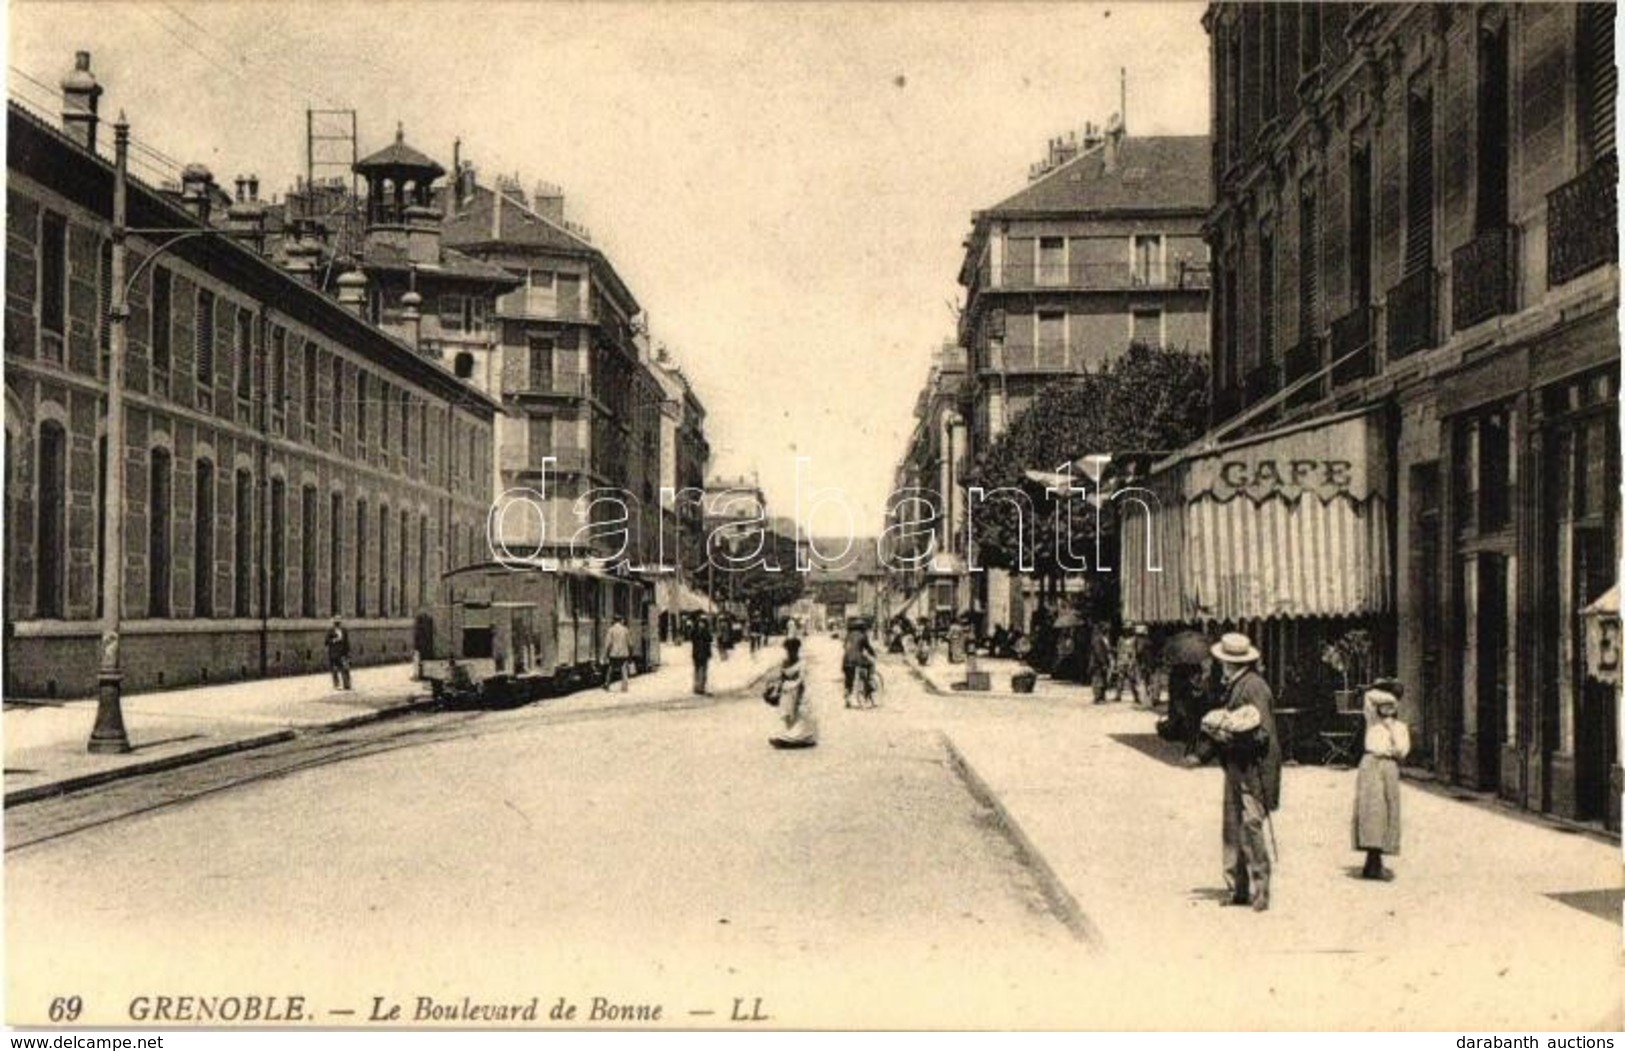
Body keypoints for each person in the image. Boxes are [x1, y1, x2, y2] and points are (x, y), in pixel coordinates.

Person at [1187, 631, 1281, 911]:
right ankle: (1238, 889)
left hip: (1255, 768)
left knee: (1250, 824)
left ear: (1231, 664)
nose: (1221, 667)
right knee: (1232, 826)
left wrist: (1230, 731)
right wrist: (1201, 754)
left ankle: (1261, 888)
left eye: (1223, 662)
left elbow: (1262, 734)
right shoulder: (1232, 686)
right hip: (1236, 766)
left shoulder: (1254, 688)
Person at [1353, 679, 1410, 880]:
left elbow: (1402, 751)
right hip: (1370, 762)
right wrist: (1390, 697)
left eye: (1391, 706)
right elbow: (1369, 696)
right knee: (1370, 811)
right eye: (1383, 705)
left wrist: (1391, 727)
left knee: (1387, 812)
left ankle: (1377, 861)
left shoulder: (1401, 727)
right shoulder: (1371, 720)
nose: (1387, 708)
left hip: (1389, 766)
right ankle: (1371, 861)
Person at [768, 637, 817, 749]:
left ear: (797, 650)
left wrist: (793, 687)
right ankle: (789, 735)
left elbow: (801, 679)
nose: (790, 652)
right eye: (788, 650)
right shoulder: (784, 662)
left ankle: (796, 737)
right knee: (786, 714)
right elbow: (781, 677)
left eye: (792, 650)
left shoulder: (802, 662)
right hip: (787, 691)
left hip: (797, 691)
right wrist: (777, 690)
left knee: (799, 713)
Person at [842, 622, 877, 707]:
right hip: (857, 659)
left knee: (848, 679)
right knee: (871, 664)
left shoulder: (848, 636)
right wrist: (874, 654)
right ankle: (869, 682)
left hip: (846, 660)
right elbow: (868, 647)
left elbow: (844, 647)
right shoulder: (863, 635)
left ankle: (847, 696)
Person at [603, 615, 632, 692]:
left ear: (614, 621)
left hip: (613, 653)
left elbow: (608, 643)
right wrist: (630, 653)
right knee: (624, 670)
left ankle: (607, 684)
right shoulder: (625, 630)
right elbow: (630, 644)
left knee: (610, 669)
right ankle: (624, 687)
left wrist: (605, 655)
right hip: (623, 653)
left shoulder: (611, 630)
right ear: (621, 620)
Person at [1089, 626, 1115, 704]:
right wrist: (1103, 663)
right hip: (1097, 664)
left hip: (1100, 663)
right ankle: (1097, 698)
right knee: (1098, 680)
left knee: (1103, 680)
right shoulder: (1098, 640)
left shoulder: (1103, 639)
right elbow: (1099, 652)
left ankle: (1101, 697)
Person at [326, 617, 352, 691]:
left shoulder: (344, 631)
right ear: (334, 624)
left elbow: (347, 642)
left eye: (338, 623)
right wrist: (334, 640)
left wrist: (348, 652)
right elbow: (326, 642)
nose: (337, 624)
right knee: (335, 670)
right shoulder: (330, 631)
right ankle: (336, 684)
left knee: (345, 669)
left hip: (343, 653)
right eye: (336, 623)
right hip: (333, 654)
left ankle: (346, 684)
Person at [690, 616, 713, 695]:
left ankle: (701, 687)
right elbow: (692, 638)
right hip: (697, 653)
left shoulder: (705, 632)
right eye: (700, 622)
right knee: (697, 670)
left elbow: (710, 640)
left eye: (702, 623)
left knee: (703, 671)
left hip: (704, 654)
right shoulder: (696, 632)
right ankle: (697, 687)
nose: (701, 624)